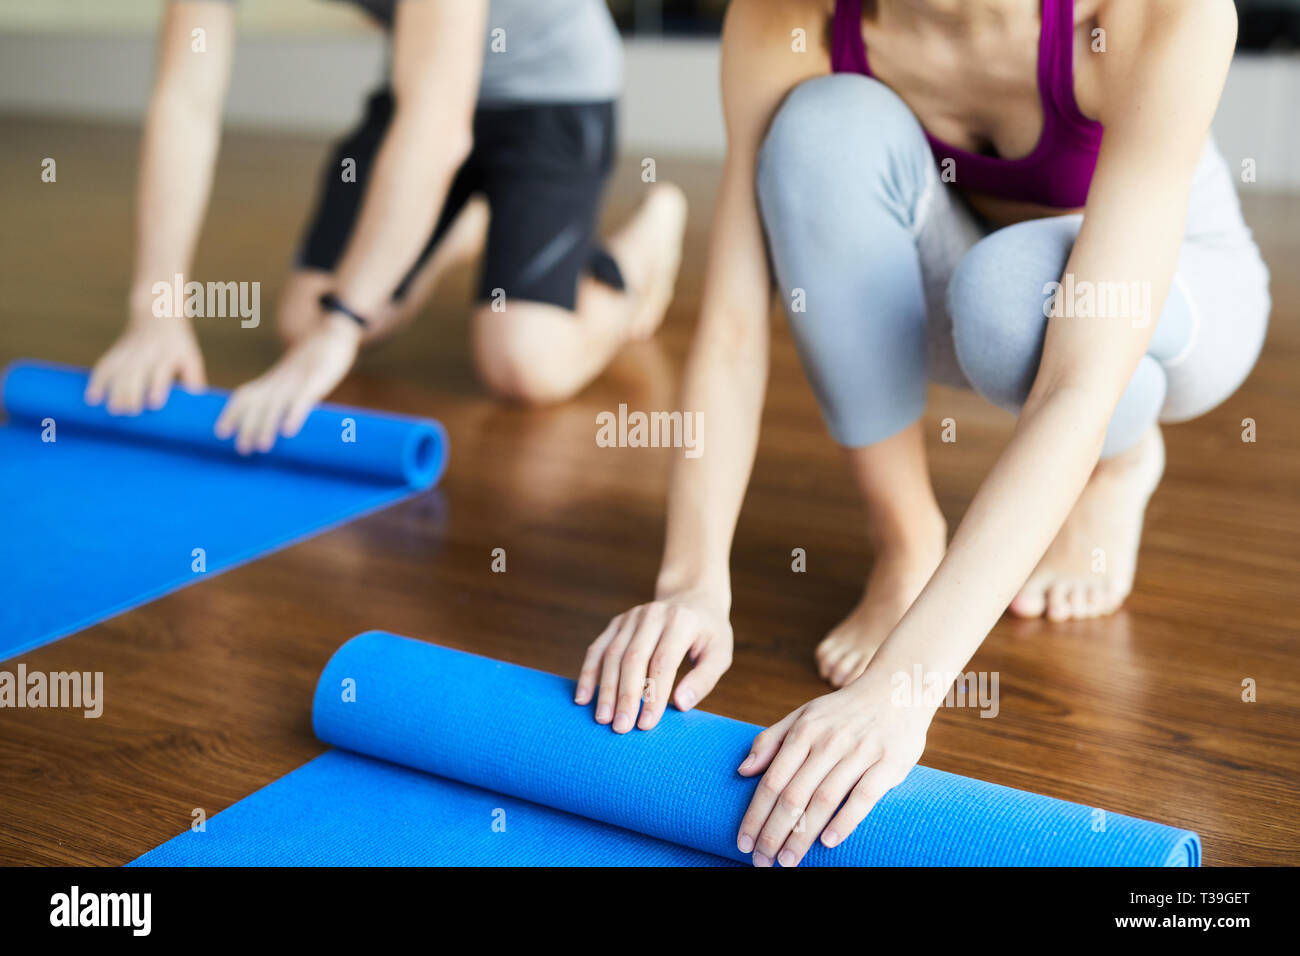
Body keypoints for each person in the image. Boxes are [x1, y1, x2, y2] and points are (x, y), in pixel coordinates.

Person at [576, 0, 1268, 866]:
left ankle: (1121, 463)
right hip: (972, 264)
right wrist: (691, 581)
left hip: (1176, 292)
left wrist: (907, 687)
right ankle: (907, 541)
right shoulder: (787, 16)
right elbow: (735, 328)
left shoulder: (1158, 16)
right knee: (820, 129)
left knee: (1016, 298)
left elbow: (1075, 380)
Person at [86, 0, 687, 454]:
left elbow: (438, 129)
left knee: (525, 363)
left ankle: (653, 230)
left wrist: (344, 323)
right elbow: (186, 100)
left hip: (553, 94)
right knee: (303, 322)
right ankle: (457, 227)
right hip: (421, 84)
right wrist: (156, 308)